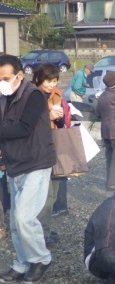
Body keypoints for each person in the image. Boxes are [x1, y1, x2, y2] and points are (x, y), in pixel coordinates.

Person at [0, 54, 56, 284]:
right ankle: (22, 263)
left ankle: (40, 258)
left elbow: (24, 128)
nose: (1, 82)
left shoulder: (33, 95)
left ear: (20, 75)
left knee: (24, 216)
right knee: (15, 221)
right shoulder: (3, 97)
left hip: (36, 162)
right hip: (14, 163)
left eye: (5, 77)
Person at [33, 63, 71, 245]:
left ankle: (45, 229)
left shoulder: (57, 95)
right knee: (45, 196)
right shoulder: (31, 95)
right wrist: (46, 116)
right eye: (48, 80)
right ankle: (41, 233)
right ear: (38, 78)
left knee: (53, 194)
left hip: (54, 145)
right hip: (37, 148)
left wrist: (61, 117)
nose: (50, 84)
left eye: (54, 80)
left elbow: (63, 123)